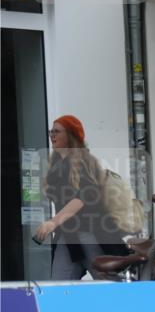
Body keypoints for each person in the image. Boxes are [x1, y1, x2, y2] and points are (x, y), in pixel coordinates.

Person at [33, 115, 127, 279]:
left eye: (57, 131)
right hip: (67, 237)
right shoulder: (56, 165)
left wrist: (52, 223)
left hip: (89, 233)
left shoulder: (84, 161)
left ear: (70, 135)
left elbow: (83, 197)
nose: (52, 135)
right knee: (59, 289)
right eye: (51, 131)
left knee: (110, 288)